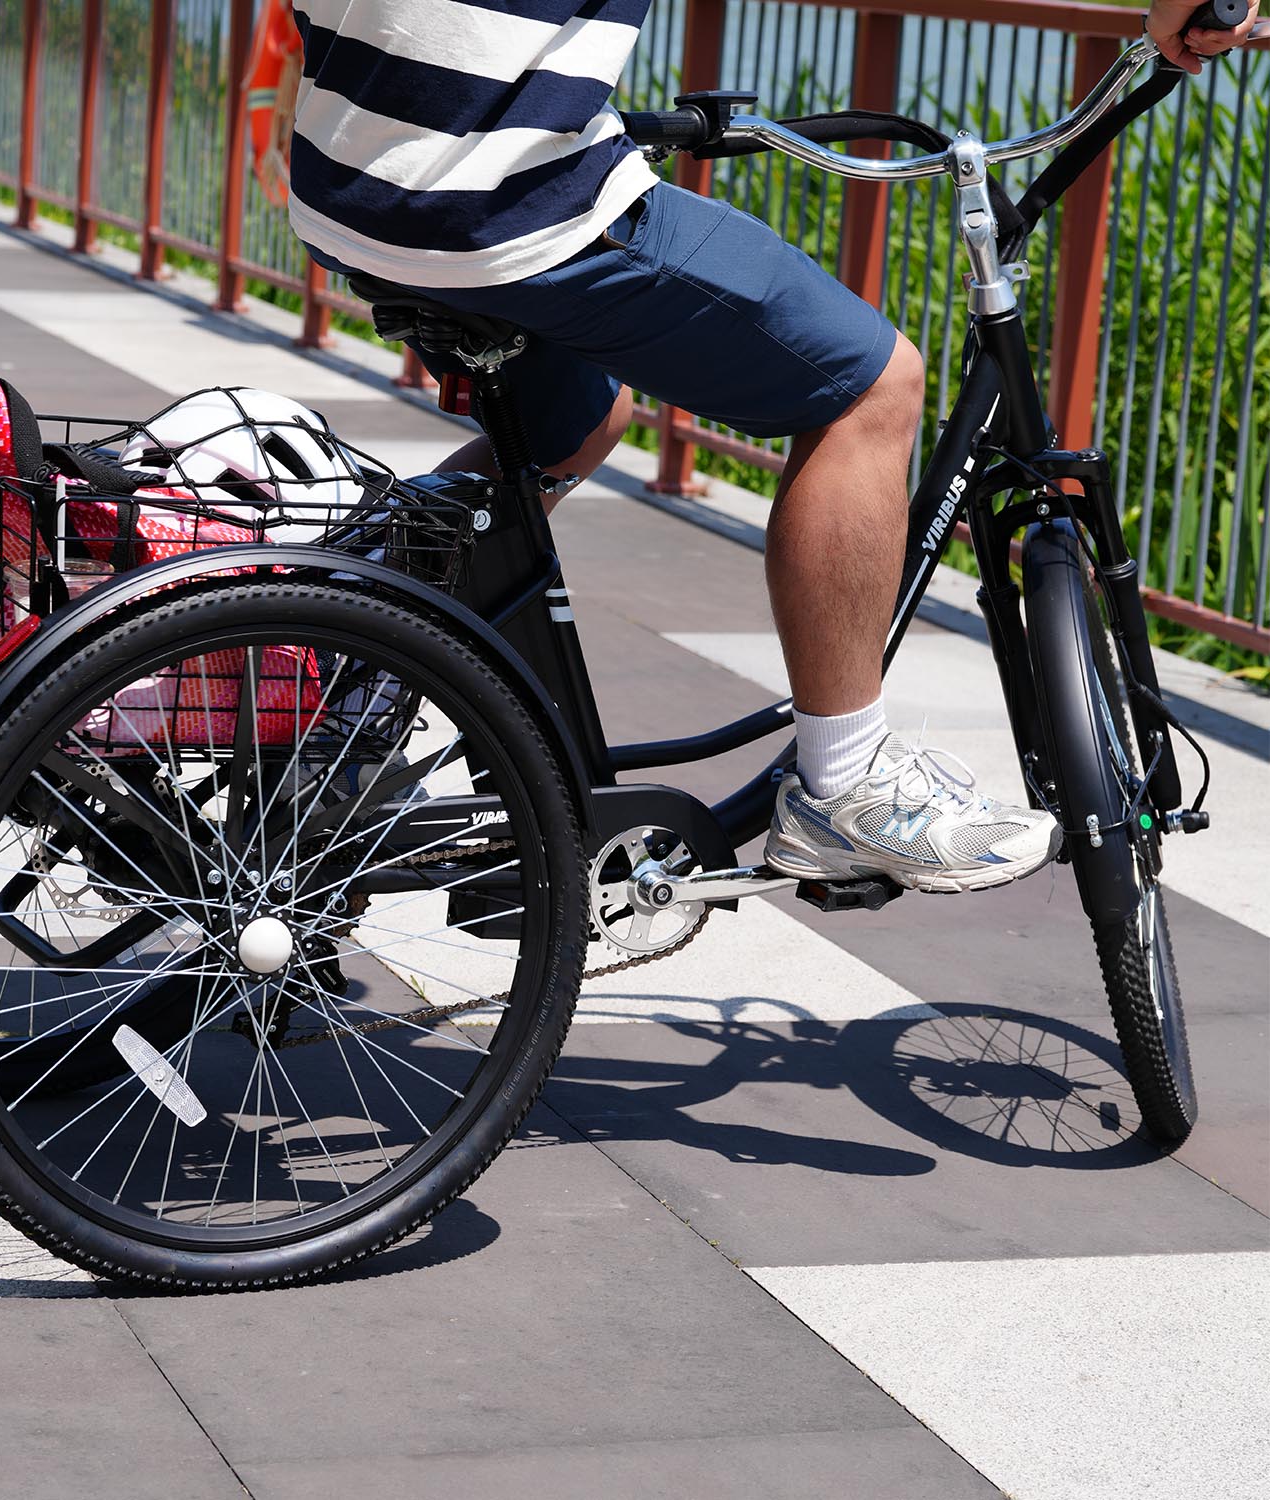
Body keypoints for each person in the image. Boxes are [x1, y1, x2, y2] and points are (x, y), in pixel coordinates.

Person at [284, 0, 1259, 893]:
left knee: (573, 426)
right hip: (500, 200)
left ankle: (335, 676)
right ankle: (844, 788)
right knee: (870, 388)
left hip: (348, 183)